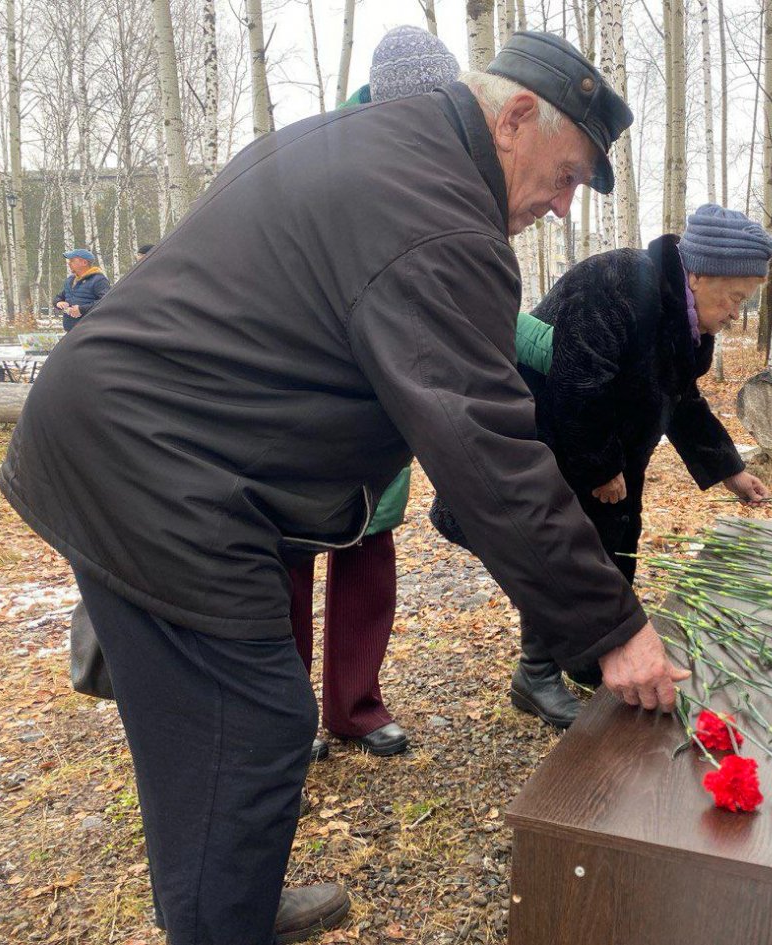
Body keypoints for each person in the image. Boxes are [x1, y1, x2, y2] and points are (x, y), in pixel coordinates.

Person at [0, 31, 687, 945]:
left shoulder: (367, 145)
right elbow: (485, 449)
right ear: (516, 116)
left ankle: (222, 895)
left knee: (209, 725)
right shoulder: (436, 214)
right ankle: (219, 921)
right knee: (251, 724)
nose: (563, 207)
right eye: (566, 176)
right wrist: (613, 628)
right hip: (156, 465)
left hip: (137, 445)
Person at [432, 203, 772, 728]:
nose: (735, 313)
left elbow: (681, 399)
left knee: (606, 555)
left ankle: (594, 659)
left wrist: (728, 468)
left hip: (605, 454)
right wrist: (599, 467)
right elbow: (576, 383)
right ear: (700, 273)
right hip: (547, 444)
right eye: (734, 299)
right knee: (553, 554)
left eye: (744, 302)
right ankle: (537, 675)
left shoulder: (686, 319)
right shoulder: (617, 282)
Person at [291, 25, 462, 763]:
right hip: (309, 396)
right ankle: (287, 717)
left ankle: (355, 707)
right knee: (288, 565)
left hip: (383, 398)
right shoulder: (329, 157)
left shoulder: (436, 165)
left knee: (368, 556)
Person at [53, 249, 110, 332]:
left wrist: (81, 309)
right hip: (70, 331)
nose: (69, 263)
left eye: (72, 260)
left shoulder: (99, 280)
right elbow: (60, 296)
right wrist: (58, 303)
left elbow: (106, 302)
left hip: (90, 332)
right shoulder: (71, 280)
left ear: (84, 263)